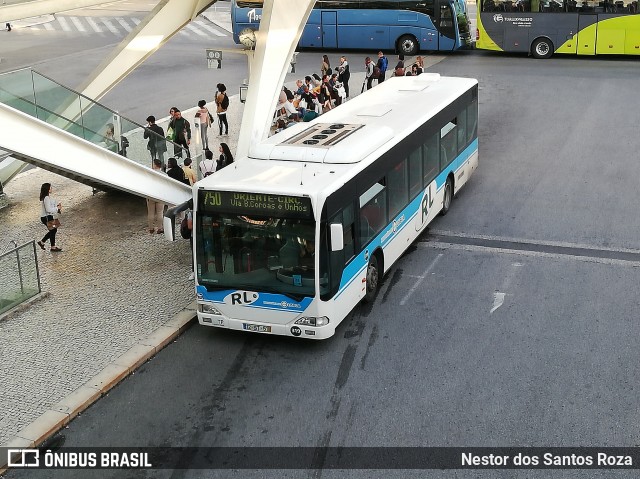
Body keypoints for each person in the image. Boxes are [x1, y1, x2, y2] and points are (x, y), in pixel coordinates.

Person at [38, 183, 62, 252]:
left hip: (46, 217)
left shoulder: (46, 197)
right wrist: (57, 208)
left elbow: (50, 206)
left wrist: (56, 206)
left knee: (53, 230)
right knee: (53, 230)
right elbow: (48, 209)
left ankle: (42, 242)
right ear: (48, 189)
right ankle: (52, 247)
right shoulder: (46, 198)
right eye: (50, 188)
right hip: (46, 217)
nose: (51, 189)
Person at [146, 159, 165, 233]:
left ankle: (151, 228)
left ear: (154, 165)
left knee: (151, 212)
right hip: (160, 195)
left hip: (151, 195)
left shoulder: (150, 174)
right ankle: (160, 228)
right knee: (160, 212)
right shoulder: (164, 174)